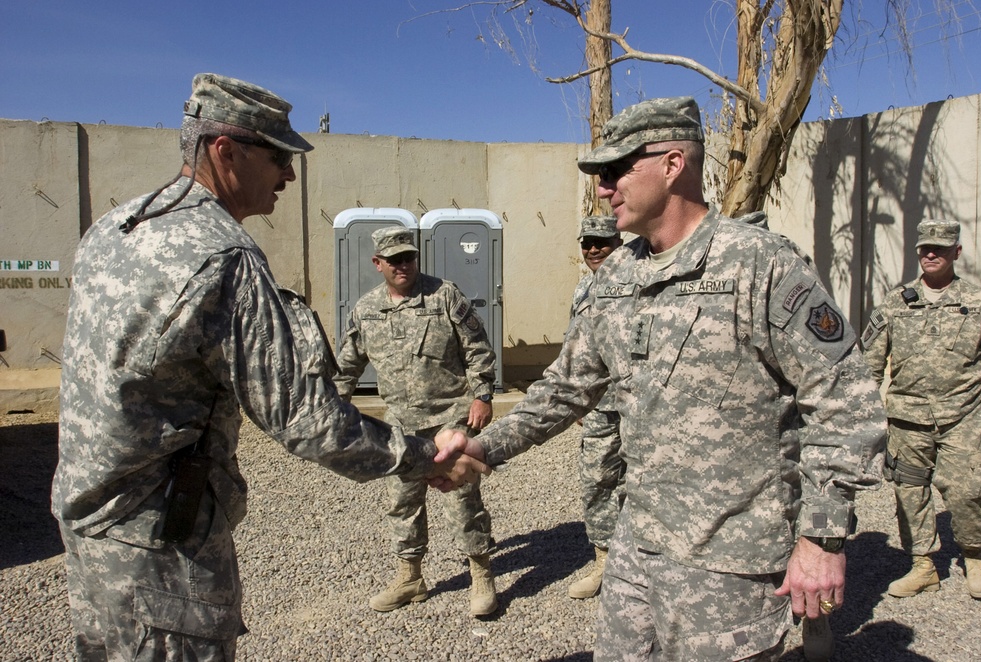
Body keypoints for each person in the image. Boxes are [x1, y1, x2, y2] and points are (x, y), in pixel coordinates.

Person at [51, 73, 486, 662]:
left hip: (91, 531)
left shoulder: (116, 228)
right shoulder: (224, 254)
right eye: (278, 156)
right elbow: (304, 416)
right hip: (160, 545)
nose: (289, 173)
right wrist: (421, 456)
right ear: (226, 151)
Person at [451, 97, 887, 661]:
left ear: (673, 164)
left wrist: (821, 538)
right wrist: (484, 447)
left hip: (733, 559)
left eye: (615, 172)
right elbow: (567, 387)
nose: (603, 189)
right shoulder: (617, 277)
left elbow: (845, 401)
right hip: (639, 543)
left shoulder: (758, 263)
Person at [333, 227, 499, 617]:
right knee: (402, 503)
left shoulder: (444, 295)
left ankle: (481, 574)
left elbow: (478, 348)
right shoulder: (366, 309)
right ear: (378, 264)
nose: (403, 265)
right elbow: (346, 366)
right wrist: (331, 408)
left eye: (408, 257)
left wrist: (483, 394)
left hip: (449, 417)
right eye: (394, 260)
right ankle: (411, 578)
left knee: (462, 500)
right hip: (400, 426)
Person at [861, 218, 981, 600]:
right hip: (907, 418)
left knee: (969, 489)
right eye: (925, 248)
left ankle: (974, 555)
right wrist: (862, 412)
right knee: (910, 491)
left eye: (940, 248)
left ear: (956, 252)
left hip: (963, 416)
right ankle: (923, 564)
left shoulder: (979, 303)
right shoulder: (896, 302)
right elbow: (869, 362)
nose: (931, 254)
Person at [567, 215, 626, 600]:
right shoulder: (583, 289)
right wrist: (577, 400)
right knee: (598, 482)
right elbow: (573, 347)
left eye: (601, 243)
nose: (592, 250)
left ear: (617, 243)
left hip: (642, 404)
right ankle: (605, 563)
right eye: (586, 243)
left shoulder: (641, 279)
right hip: (601, 406)